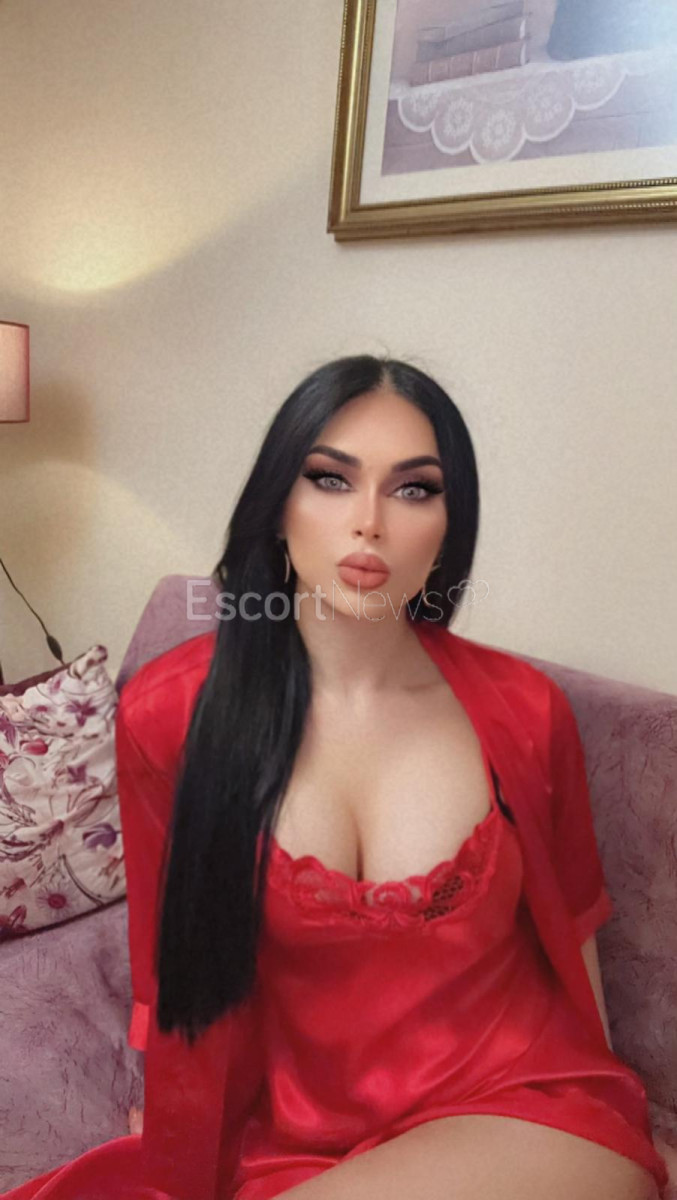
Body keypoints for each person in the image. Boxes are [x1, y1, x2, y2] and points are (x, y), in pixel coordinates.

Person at [5, 354, 670, 1200]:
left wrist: (621, 1141)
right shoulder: (171, 714)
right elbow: (168, 972)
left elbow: (573, 936)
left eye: (413, 489)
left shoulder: (525, 711)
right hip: (292, 1135)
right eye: (330, 479)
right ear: (277, 504)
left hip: (519, 1104)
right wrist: (177, 1127)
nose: (369, 523)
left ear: (449, 523)